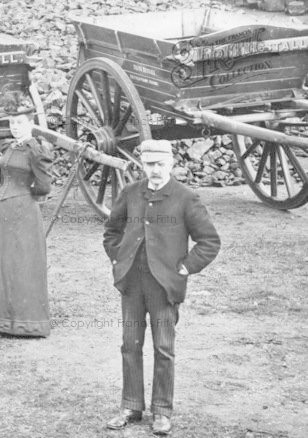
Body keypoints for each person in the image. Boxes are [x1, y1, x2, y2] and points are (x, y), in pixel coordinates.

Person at [102, 139, 221, 435]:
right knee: (130, 344)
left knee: (164, 347)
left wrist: (185, 267)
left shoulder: (185, 197)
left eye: (160, 165)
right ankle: (131, 405)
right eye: (149, 164)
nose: (154, 170)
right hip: (132, 281)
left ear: (171, 164)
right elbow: (111, 230)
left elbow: (209, 241)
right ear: (142, 164)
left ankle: (162, 411)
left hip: (164, 285)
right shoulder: (130, 193)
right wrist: (119, 258)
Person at [0, 93, 53, 337]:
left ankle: (22, 322)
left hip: (22, 211)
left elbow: (44, 186)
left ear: (30, 124)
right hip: (1, 210)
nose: (15, 127)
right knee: (0, 262)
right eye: (12, 123)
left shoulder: (36, 149)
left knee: (19, 264)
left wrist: (25, 195)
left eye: (20, 123)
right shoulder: (11, 146)